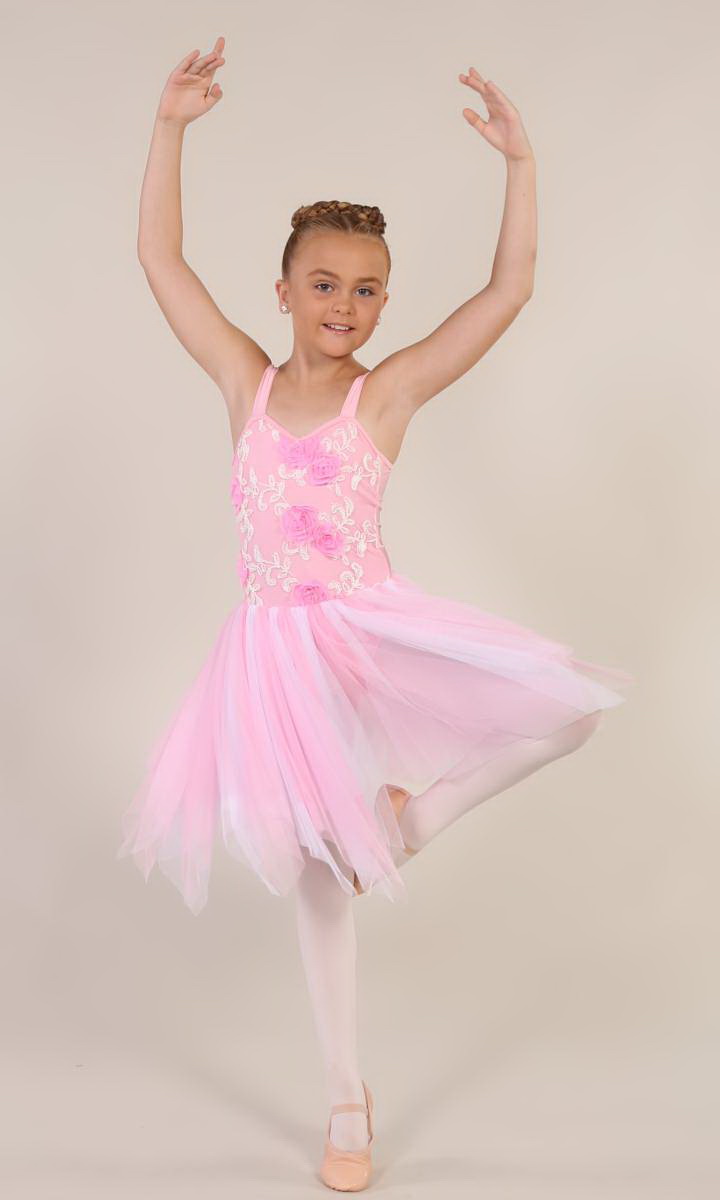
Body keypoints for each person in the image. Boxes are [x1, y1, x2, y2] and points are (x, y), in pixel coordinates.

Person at [116, 38, 634, 1192]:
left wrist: (522, 164)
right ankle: (346, 1099)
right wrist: (170, 127)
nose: (344, 306)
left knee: (571, 712)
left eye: (365, 290)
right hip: (270, 653)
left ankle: (406, 823)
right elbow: (159, 259)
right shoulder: (243, 381)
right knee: (314, 868)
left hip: (364, 632)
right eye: (323, 284)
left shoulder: (386, 394)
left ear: (383, 301)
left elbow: (507, 293)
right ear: (285, 290)